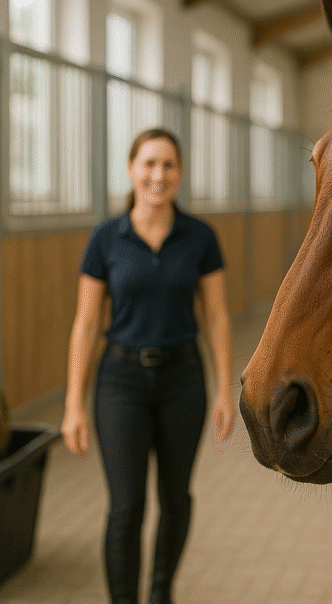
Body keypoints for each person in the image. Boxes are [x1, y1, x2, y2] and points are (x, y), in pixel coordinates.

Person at [61, 127, 235, 604]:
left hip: (184, 381)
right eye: (149, 164)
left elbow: (217, 316)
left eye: (169, 165)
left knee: (176, 499)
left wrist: (225, 390)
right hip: (121, 383)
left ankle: (160, 592)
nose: (158, 175)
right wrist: (73, 403)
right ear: (131, 170)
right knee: (126, 509)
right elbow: (85, 322)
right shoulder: (105, 239)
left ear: (180, 173)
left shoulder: (200, 237)